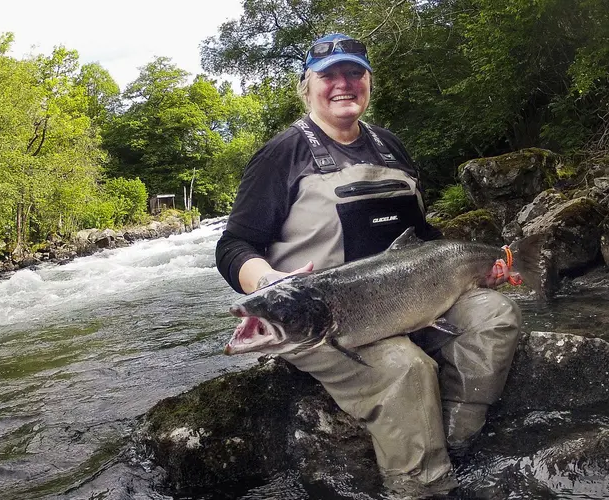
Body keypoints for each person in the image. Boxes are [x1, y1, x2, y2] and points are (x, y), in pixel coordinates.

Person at [215, 33, 523, 496]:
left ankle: (458, 434)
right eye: (329, 75)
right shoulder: (284, 153)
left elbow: (425, 236)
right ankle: (421, 486)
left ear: (368, 81)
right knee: (407, 369)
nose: (343, 84)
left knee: (496, 315)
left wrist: (481, 271)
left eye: (354, 72)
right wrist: (272, 282)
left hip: (416, 297)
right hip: (326, 320)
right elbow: (233, 245)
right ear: (307, 85)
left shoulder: (391, 146)